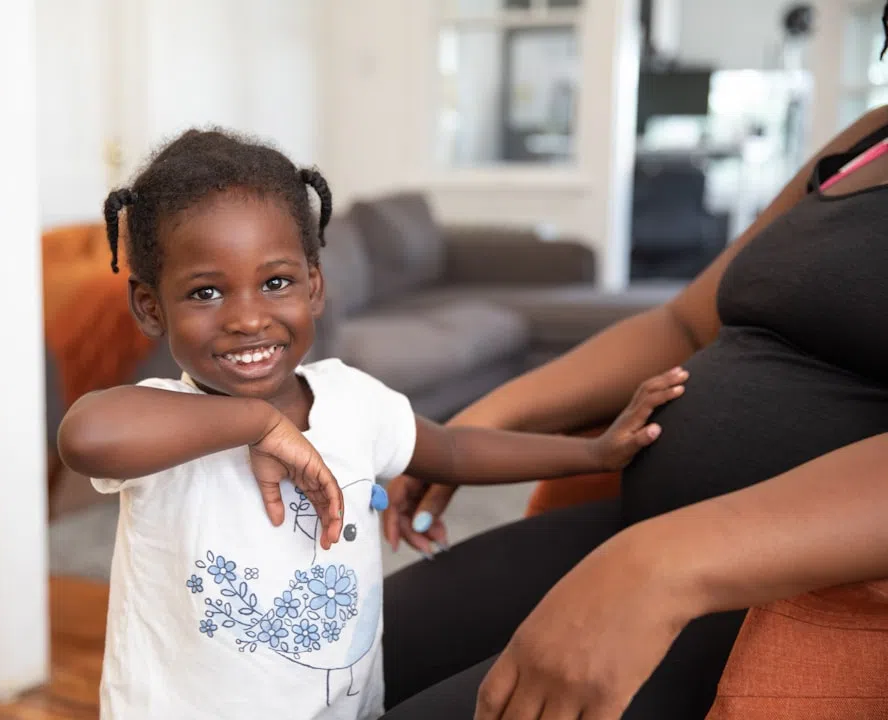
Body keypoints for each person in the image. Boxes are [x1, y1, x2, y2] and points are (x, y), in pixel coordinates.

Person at [55, 129, 684, 720]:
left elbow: (457, 450)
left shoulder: (351, 400)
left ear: (315, 286)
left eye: (276, 282)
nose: (247, 318)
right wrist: (256, 423)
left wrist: (595, 454)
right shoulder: (165, 417)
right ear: (149, 307)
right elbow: (86, 435)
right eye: (206, 293)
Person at [378, 13, 888, 719]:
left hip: (775, 593)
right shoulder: (869, 137)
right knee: (327, 660)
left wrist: (668, 565)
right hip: (637, 531)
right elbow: (683, 322)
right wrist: (478, 423)